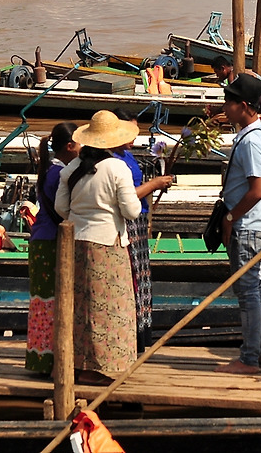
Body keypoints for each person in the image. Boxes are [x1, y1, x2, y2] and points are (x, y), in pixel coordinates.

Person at [54, 111, 144, 384]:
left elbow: (61, 208)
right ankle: (98, 367)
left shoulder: (72, 168)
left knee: (80, 306)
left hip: (76, 242)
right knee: (108, 309)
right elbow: (131, 211)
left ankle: (76, 363)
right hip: (108, 245)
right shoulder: (117, 168)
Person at [215, 74, 261, 373]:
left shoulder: (252, 141)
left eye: (228, 102)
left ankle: (249, 358)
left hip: (248, 226)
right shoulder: (252, 135)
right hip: (254, 224)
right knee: (257, 286)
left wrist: (230, 217)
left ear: (243, 106)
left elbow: (257, 190)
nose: (224, 108)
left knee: (248, 292)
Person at [111, 110, 175, 350]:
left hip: (139, 218)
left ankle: (142, 332)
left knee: (142, 276)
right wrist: (154, 184)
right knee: (132, 276)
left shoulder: (126, 154)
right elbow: (127, 195)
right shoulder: (112, 161)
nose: (133, 137)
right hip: (128, 220)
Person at [25, 122, 79, 374]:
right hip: (51, 241)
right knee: (52, 302)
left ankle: (41, 358)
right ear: (69, 146)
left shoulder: (49, 169)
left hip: (41, 239)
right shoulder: (60, 174)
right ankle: (51, 360)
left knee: (43, 302)